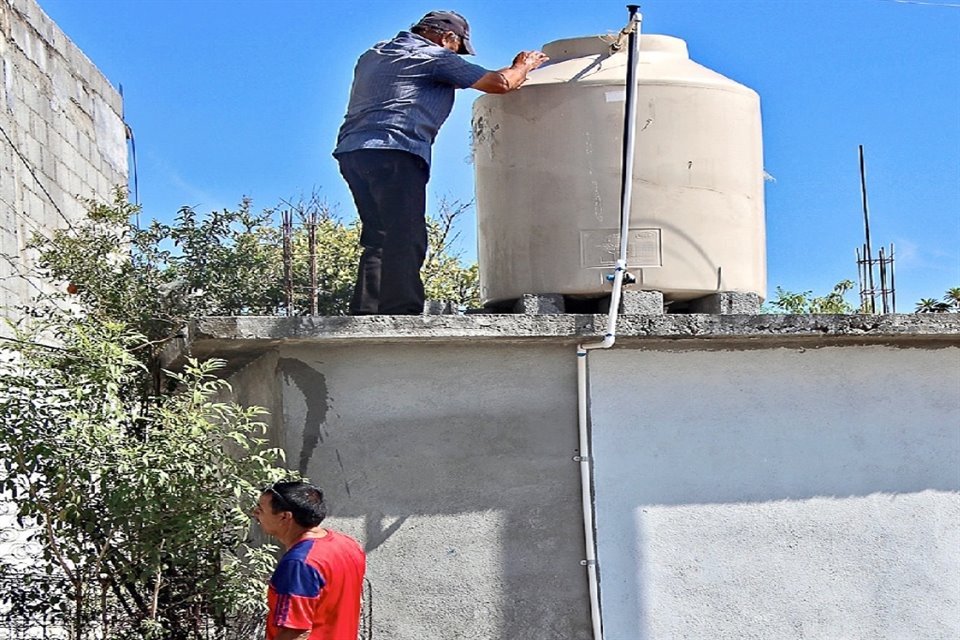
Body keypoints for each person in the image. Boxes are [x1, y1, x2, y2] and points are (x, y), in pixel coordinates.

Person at [333, 10, 548, 315]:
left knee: (379, 234)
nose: (456, 56)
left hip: (354, 151)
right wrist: (523, 66)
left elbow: (456, 77)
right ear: (447, 37)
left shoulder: (374, 54)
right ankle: (400, 312)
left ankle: (368, 310)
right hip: (397, 149)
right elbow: (500, 83)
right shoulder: (434, 57)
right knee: (407, 234)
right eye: (457, 48)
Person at [252, 481, 366, 640]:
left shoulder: (299, 563)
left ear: (285, 516)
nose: (255, 513)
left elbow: (294, 631)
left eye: (261, 509)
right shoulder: (348, 544)